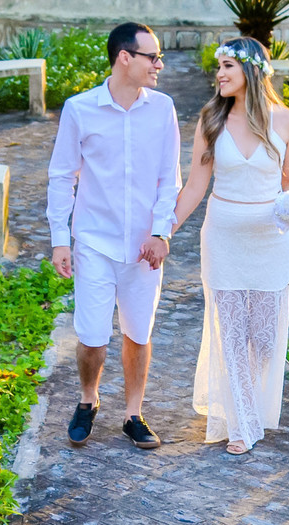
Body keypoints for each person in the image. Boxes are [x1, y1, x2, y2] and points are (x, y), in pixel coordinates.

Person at [47, 22, 182, 450]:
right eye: (152, 56)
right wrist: (60, 239)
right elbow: (61, 175)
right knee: (91, 336)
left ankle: (133, 413)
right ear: (125, 57)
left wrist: (161, 233)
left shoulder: (163, 109)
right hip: (94, 242)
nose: (159, 64)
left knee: (138, 333)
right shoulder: (79, 109)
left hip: (144, 249)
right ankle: (88, 400)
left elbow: (169, 180)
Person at [170, 37, 289, 455]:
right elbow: (195, 184)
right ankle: (242, 424)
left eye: (228, 66)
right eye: (219, 67)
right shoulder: (211, 118)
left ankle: (247, 408)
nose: (220, 74)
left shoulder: (287, 122)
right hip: (224, 237)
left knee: (263, 338)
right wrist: (165, 229)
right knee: (231, 334)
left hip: (270, 241)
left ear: (253, 71)